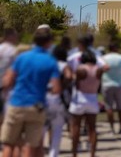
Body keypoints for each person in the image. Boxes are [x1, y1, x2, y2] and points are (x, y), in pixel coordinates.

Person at [1, 27, 61, 157]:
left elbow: (8, 81)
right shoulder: (50, 61)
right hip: (37, 105)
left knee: (9, 144)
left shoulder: (22, 57)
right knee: (31, 145)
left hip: (17, 103)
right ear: (49, 42)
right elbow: (56, 89)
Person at [40, 45, 72, 157]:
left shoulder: (47, 64)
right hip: (58, 98)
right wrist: (62, 87)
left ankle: (39, 152)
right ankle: (53, 154)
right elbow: (69, 76)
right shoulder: (63, 65)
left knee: (42, 128)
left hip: (44, 96)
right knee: (57, 128)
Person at [69, 50, 103, 157]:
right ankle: (92, 154)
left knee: (75, 127)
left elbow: (76, 84)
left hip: (80, 98)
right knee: (92, 128)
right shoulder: (99, 70)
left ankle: (75, 153)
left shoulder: (81, 69)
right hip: (92, 98)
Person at [101, 43, 121, 134]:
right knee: (120, 107)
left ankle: (112, 129)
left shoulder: (104, 58)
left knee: (109, 107)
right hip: (119, 84)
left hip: (107, 84)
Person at [0, 28, 18, 127]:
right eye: (15, 36)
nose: (16, 38)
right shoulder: (14, 51)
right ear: (10, 36)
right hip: (8, 87)